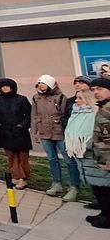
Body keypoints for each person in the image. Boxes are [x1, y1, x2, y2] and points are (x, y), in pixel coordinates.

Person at [32, 74, 80, 202]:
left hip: (60, 132)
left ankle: (74, 186)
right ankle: (57, 183)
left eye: (43, 83)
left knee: (69, 160)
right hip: (44, 132)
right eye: (39, 84)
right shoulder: (36, 98)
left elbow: (65, 115)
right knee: (52, 159)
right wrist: (35, 132)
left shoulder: (61, 97)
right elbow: (34, 115)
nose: (40, 86)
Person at [0, 78, 33, 190]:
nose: (5, 88)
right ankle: (18, 176)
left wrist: (22, 125)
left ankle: (23, 176)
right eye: (2, 86)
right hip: (4, 131)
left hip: (20, 132)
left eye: (7, 86)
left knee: (22, 156)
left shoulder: (21, 99)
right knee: (11, 156)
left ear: (12, 87)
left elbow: (29, 115)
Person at [79, 78, 110, 228]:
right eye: (94, 89)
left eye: (100, 89)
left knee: (106, 189)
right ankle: (105, 214)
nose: (96, 92)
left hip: (107, 157)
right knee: (102, 189)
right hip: (101, 156)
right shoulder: (102, 107)